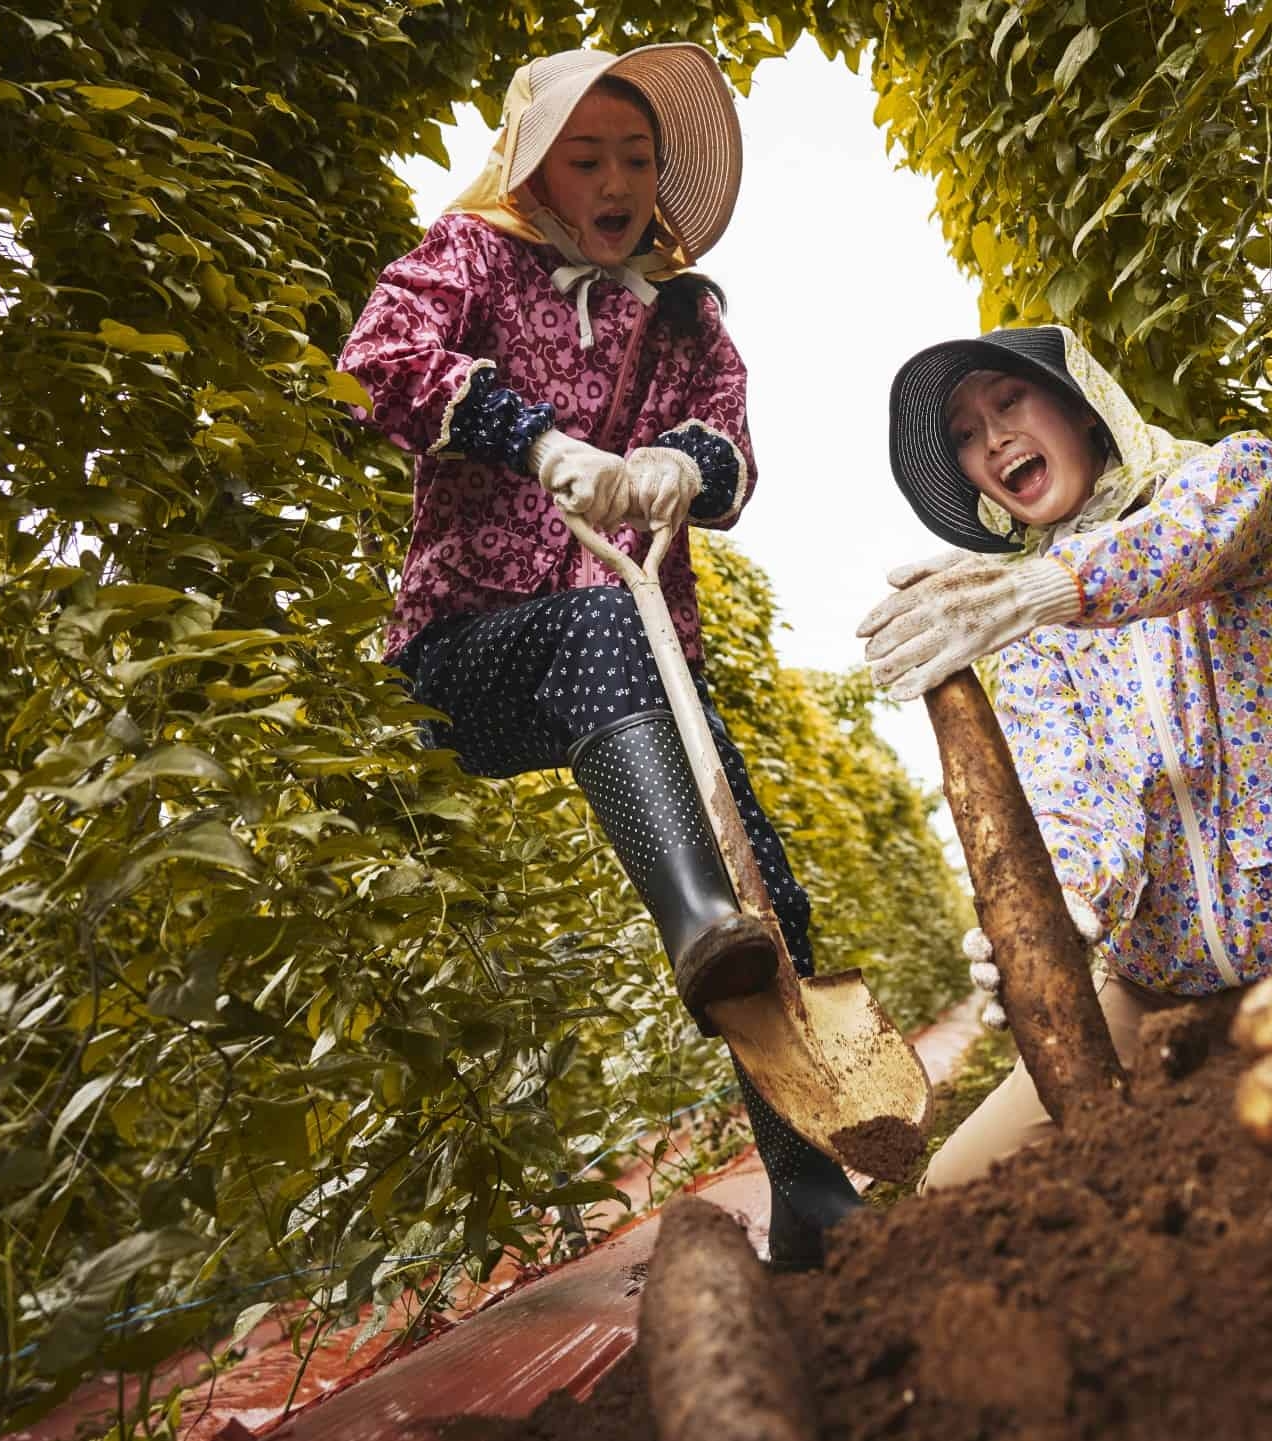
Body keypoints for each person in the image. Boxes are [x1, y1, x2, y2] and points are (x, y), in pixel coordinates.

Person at [337, 43, 859, 1268]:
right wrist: (535, 441)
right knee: (591, 635)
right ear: (536, 171)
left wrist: (685, 457)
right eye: (588, 157)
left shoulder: (685, 311)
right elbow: (380, 359)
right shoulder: (469, 257)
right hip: (473, 650)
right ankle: (695, 923)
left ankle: (811, 1189)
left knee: (763, 879)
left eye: (637, 157)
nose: (617, 178)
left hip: (638, 656)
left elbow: (730, 445)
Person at [858, 325, 1272, 1190]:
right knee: (959, 1186)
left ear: (1085, 411)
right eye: (964, 434)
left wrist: (1041, 590)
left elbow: (1186, 545)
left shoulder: (1234, 479)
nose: (993, 439)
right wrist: (1057, 909)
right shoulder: (1024, 640)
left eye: (1009, 399)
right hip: (1161, 993)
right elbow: (1070, 804)